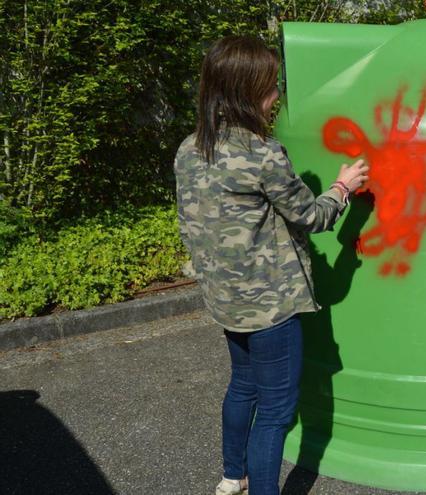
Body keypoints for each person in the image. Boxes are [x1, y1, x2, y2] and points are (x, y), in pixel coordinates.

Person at [173, 35, 369, 495]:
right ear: (246, 91)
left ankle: (231, 476)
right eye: (271, 85)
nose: (277, 94)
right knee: (278, 411)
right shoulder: (261, 153)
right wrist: (343, 188)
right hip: (269, 304)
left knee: (243, 386)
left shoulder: (190, 148)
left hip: (225, 298)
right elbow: (312, 216)